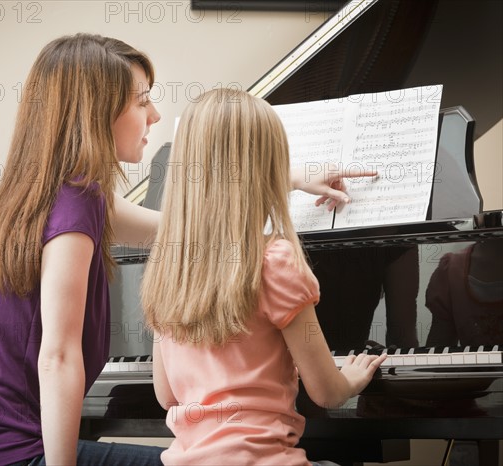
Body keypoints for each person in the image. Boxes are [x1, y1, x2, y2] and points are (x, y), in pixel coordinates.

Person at [0, 34, 164, 466]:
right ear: (96, 114)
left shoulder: (51, 190)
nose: (155, 114)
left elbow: (181, 229)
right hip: (7, 455)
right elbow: (57, 358)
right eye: (142, 101)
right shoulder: (76, 200)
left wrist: (289, 178)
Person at [140, 88, 387, 466]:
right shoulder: (274, 261)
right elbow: (326, 392)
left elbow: (167, 397)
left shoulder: (166, 265)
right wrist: (352, 378)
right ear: (273, 167)